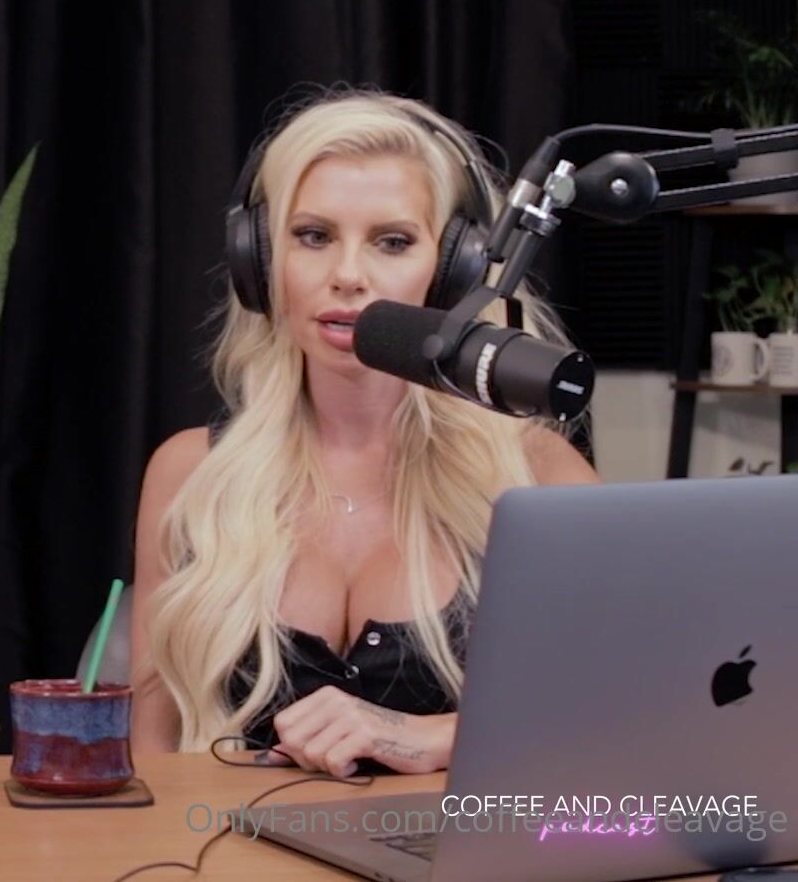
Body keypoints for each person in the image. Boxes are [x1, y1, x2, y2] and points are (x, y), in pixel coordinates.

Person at [129, 90, 598, 777]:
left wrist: (429, 737)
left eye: (393, 242)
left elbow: (607, 723)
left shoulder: (541, 480)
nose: (347, 276)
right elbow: (150, 752)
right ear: (259, 260)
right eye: (313, 236)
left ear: (456, 269)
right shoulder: (190, 476)